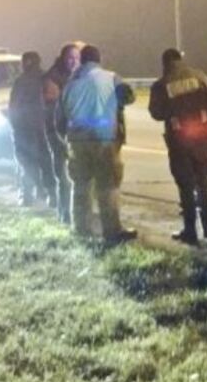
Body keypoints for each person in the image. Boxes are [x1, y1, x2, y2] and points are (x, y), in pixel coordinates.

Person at [57, 44, 136, 243]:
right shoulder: (111, 77)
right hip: (104, 140)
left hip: (77, 141)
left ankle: (82, 229)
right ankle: (112, 231)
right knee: (107, 186)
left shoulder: (70, 84)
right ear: (99, 60)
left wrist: (66, 139)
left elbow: (59, 119)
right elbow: (129, 96)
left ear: (82, 61)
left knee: (81, 186)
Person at [148, 48, 207, 245]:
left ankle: (190, 231)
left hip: (179, 139)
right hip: (201, 137)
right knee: (203, 182)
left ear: (165, 63)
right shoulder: (199, 76)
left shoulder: (162, 84)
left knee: (186, 185)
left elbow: (156, 112)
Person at [8, 51, 55, 206]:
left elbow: (13, 107)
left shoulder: (20, 82)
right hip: (46, 128)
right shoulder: (48, 79)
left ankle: (27, 196)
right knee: (47, 162)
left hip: (24, 129)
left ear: (24, 64)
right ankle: (52, 195)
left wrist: (14, 127)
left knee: (27, 162)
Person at [43, 42, 82, 222]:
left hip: (74, 133)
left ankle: (75, 214)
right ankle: (64, 214)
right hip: (57, 133)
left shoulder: (78, 76)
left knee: (77, 177)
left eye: (77, 58)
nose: (74, 62)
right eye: (70, 58)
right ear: (63, 58)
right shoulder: (53, 77)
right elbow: (54, 107)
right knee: (64, 178)